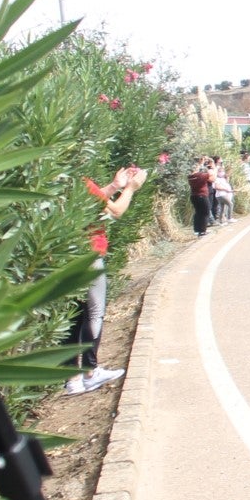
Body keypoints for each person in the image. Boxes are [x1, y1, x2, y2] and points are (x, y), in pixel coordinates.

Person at [66, 165, 147, 394]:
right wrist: (130, 188)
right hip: (89, 255)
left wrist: (113, 186)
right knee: (93, 312)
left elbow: (93, 202)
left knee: (75, 316)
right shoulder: (81, 180)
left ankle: (72, 379)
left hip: (69, 255)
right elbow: (115, 211)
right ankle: (90, 372)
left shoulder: (64, 182)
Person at [187, 157, 213, 237]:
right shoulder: (200, 176)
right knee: (205, 212)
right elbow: (212, 176)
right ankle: (202, 231)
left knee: (198, 213)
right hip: (202, 195)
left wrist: (201, 164)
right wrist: (212, 166)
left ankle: (197, 230)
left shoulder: (190, 177)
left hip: (194, 196)